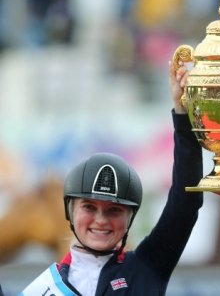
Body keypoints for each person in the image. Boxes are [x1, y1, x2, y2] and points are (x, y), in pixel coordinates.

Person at [20, 60, 203, 295]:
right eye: (89, 207)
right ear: (70, 211)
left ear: (130, 216)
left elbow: (186, 202)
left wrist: (183, 111)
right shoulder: (39, 289)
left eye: (114, 210)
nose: (101, 220)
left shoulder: (148, 266)